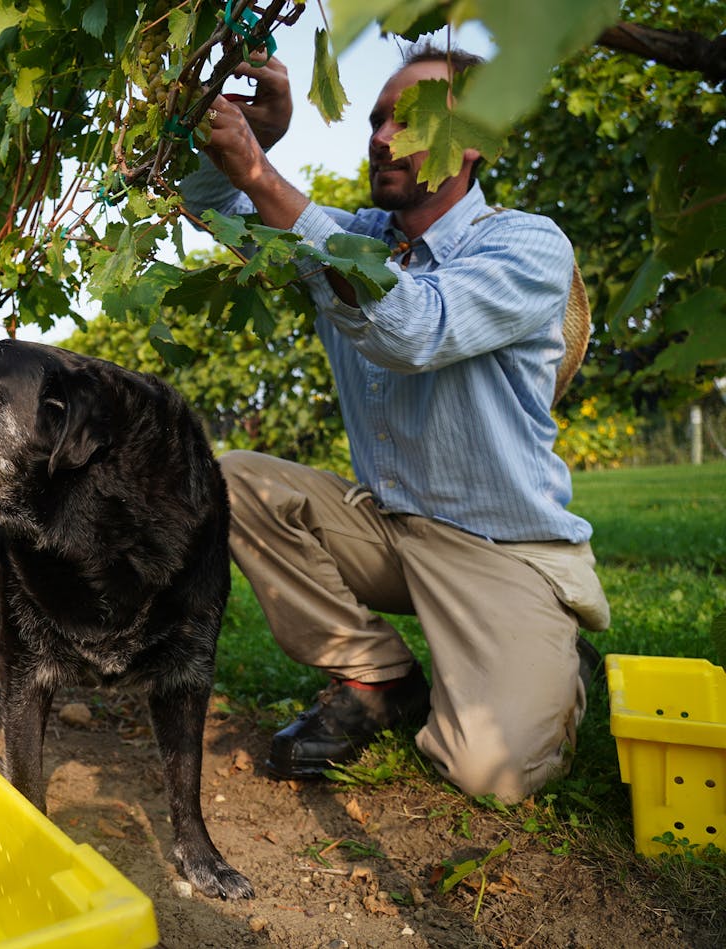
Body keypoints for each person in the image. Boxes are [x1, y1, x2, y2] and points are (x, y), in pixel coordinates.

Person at [182, 44, 610, 804]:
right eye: (377, 118)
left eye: (408, 120)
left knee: (490, 771)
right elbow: (209, 203)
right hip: (388, 529)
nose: (381, 136)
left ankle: (553, 659)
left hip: (503, 556)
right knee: (231, 480)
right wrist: (258, 147)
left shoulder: (527, 245)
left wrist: (263, 176)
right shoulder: (357, 240)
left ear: (474, 140)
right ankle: (378, 677)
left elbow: (413, 329)